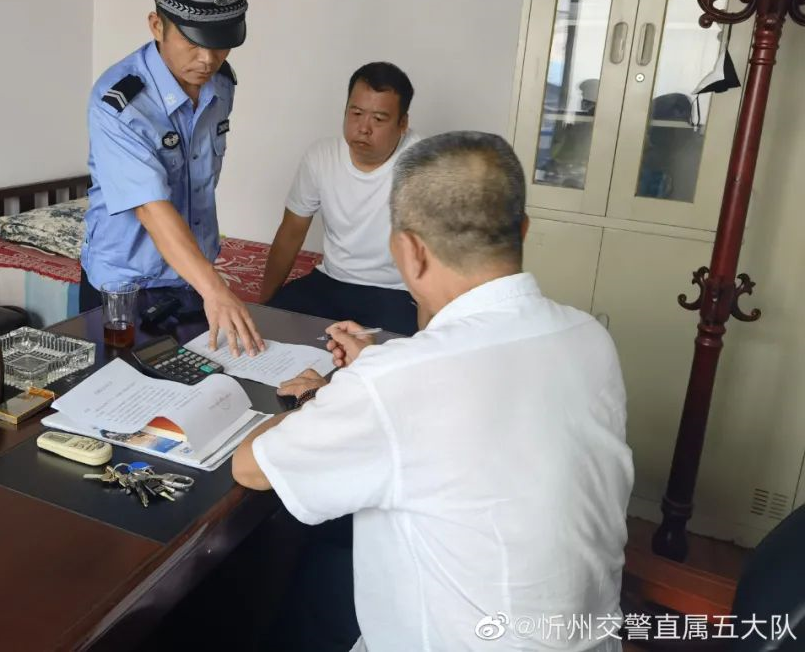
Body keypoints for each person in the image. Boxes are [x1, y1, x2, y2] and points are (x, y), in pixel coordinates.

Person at [234, 131, 634, 652]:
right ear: (524, 229)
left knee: (287, 585)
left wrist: (336, 393)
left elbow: (252, 466)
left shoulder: (397, 380)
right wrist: (370, 380)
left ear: (409, 251)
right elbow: (480, 401)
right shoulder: (590, 337)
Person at [81, 0, 266, 355]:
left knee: (205, 385)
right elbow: (151, 208)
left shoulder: (221, 84)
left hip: (191, 277)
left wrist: (205, 282)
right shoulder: (120, 102)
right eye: (193, 42)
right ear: (156, 25)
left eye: (220, 43)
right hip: (126, 289)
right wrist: (216, 289)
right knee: (122, 390)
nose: (208, 59)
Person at [261, 62, 420, 335]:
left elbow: (447, 250)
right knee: (266, 331)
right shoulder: (321, 156)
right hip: (331, 281)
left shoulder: (424, 162)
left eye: (378, 119)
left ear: (403, 123)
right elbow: (291, 232)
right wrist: (264, 305)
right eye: (356, 113)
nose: (363, 128)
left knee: (390, 354)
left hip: (395, 291)